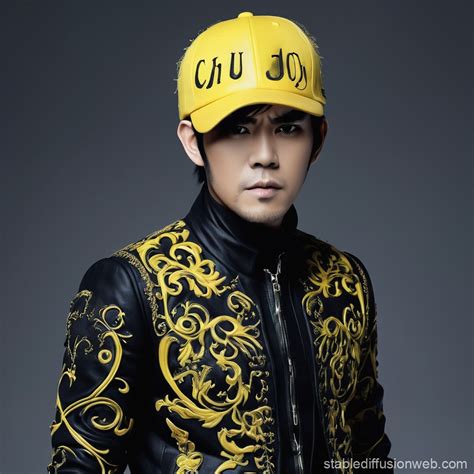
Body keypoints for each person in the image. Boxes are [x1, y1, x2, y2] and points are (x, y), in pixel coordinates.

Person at [47, 11, 393, 474]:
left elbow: (371, 456)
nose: (265, 156)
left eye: (288, 128)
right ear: (193, 142)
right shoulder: (129, 287)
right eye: (238, 129)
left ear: (318, 140)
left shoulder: (345, 282)